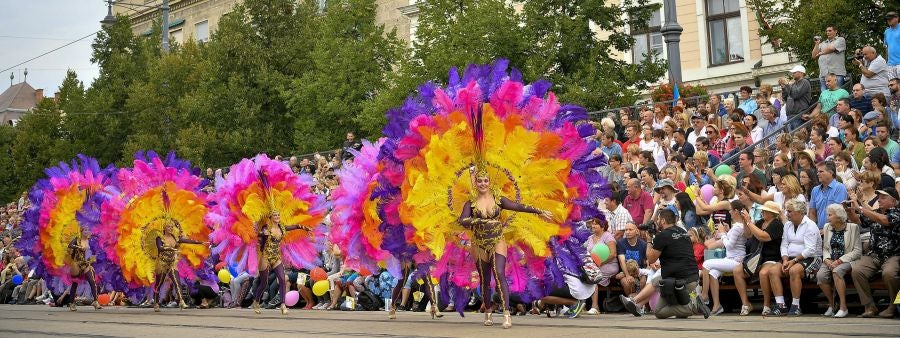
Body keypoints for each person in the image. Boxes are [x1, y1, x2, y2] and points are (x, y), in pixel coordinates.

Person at [457, 166, 553, 329]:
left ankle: (507, 314)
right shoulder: (470, 203)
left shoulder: (498, 199)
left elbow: (518, 206)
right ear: (475, 183)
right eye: (479, 181)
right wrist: (479, 221)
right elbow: (462, 220)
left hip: (497, 241)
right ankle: (488, 311)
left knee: (499, 273)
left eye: (485, 180)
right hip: (479, 243)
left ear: (490, 182)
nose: (482, 183)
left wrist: (538, 211)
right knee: (485, 280)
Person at [619, 209, 710, 319]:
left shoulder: (663, 236)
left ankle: (694, 306)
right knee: (659, 279)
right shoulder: (683, 232)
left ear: (662, 221)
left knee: (659, 311)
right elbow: (675, 252)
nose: (657, 221)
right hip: (691, 277)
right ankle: (637, 304)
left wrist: (648, 240)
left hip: (678, 281)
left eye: (658, 219)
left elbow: (651, 259)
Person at [847, 187, 900, 318]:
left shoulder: (897, 213)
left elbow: (884, 220)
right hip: (874, 254)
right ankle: (869, 306)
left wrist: (860, 208)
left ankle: (893, 306)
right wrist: (849, 211)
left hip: (893, 255)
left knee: (890, 273)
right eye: (879, 197)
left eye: (883, 197)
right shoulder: (875, 212)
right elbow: (858, 221)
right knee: (857, 269)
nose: (879, 200)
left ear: (893, 201)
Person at [734, 201, 783, 316]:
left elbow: (762, 236)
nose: (762, 212)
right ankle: (745, 303)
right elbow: (749, 234)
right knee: (737, 270)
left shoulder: (777, 224)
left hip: (771, 258)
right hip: (756, 257)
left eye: (765, 210)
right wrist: (745, 222)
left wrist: (749, 221)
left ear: (772, 213)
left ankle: (766, 305)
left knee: (763, 273)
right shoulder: (761, 222)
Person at [775, 199, 822, 316]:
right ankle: (781, 305)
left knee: (794, 270)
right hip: (790, 258)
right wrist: (785, 259)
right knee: (772, 271)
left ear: (800, 212)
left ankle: (796, 306)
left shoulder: (810, 225)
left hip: (811, 257)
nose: (787, 214)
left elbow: (811, 250)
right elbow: (784, 244)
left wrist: (794, 261)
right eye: (786, 211)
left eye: (790, 211)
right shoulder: (787, 225)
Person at [700, 200, 747, 316]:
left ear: (736, 211)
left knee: (706, 264)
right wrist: (727, 230)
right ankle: (717, 305)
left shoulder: (738, 227)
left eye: (731, 210)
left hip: (736, 260)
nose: (729, 212)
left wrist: (722, 233)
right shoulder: (737, 226)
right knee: (713, 273)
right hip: (731, 258)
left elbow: (729, 245)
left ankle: (705, 296)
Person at [816, 204, 861, 318]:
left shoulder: (853, 227)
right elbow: (826, 248)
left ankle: (843, 307)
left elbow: (857, 251)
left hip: (847, 260)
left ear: (839, 216)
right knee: (820, 276)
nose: (827, 218)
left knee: (837, 271)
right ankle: (831, 304)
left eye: (830, 215)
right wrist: (826, 259)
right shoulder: (827, 227)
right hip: (831, 259)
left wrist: (840, 260)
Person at [151, 220, 206, 312]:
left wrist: (200, 243)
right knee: (159, 284)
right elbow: (160, 248)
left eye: (172, 227)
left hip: (172, 263)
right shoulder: (159, 238)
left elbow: (185, 240)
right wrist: (173, 249)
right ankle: (156, 302)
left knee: (177, 282)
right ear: (164, 228)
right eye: (169, 227)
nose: (171, 228)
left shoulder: (174, 237)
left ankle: (181, 301)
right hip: (162, 264)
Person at [585, 217, 619, 315]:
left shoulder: (608, 236)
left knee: (593, 276)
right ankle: (580, 305)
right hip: (593, 264)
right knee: (581, 274)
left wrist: (599, 263)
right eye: (592, 224)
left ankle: (595, 306)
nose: (593, 226)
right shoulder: (590, 238)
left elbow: (613, 254)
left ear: (603, 226)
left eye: (595, 224)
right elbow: (585, 251)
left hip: (608, 265)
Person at [808, 161, 848, 228]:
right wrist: (814, 230)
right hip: (819, 231)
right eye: (818, 172)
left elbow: (839, 214)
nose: (818, 174)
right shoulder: (815, 190)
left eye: (821, 171)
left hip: (835, 230)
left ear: (831, 173)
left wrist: (827, 230)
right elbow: (812, 212)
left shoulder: (839, 188)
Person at [812, 25, 847, 92]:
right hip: (823, 74)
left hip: (836, 74)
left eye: (830, 30)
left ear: (836, 31)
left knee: (836, 95)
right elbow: (814, 56)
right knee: (825, 97)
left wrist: (821, 53)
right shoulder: (823, 43)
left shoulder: (840, 40)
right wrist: (817, 44)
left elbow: (831, 48)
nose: (828, 32)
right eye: (827, 31)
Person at [616, 223, 647, 297]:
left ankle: (642, 304)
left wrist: (643, 275)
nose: (627, 232)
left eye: (630, 229)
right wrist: (627, 275)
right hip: (625, 271)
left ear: (636, 231)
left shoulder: (643, 244)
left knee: (643, 282)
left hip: (640, 271)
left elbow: (647, 262)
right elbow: (622, 261)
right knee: (627, 282)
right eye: (626, 230)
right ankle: (632, 303)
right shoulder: (620, 243)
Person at [780, 65, 813, 130]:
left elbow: (796, 94)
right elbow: (785, 98)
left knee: (798, 138)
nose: (793, 74)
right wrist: (783, 87)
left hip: (799, 116)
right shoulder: (793, 84)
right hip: (790, 116)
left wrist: (787, 84)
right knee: (793, 138)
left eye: (794, 72)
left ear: (801, 73)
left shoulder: (805, 82)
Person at [885, 11, 900, 79]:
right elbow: (887, 47)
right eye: (887, 19)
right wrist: (886, 62)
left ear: (897, 18)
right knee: (893, 87)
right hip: (890, 65)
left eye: (890, 18)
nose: (888, 20)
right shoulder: (886, 31)